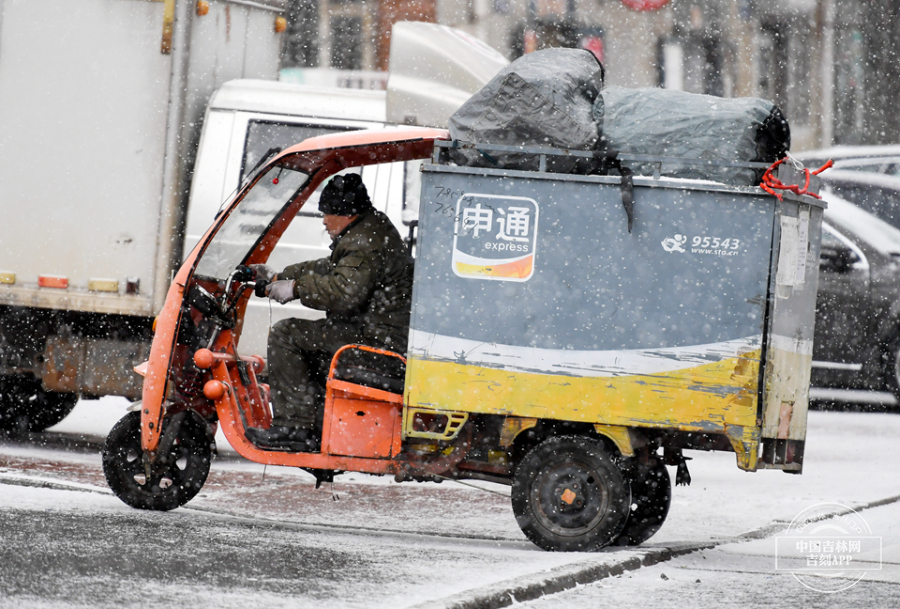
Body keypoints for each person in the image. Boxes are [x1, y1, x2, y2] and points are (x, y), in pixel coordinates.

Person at [244, 173, 413, 452]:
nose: (323, 220)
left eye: (327, 214)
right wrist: (282, 277)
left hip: (377, 340)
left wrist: (296, 289)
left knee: (286, 334)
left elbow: (344, 293)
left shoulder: (363, 243)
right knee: (303, 337)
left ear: (346, 213)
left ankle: (295, 428)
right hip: (375, 329)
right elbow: (333, 267)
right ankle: (312, 422)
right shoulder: (368, 228)